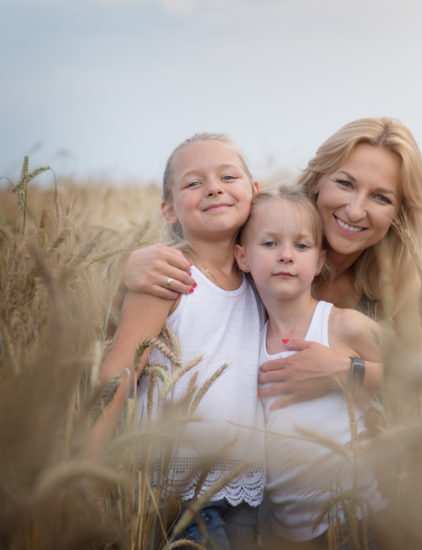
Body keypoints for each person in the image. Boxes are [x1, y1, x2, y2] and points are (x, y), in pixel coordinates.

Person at [121, 117, 422, 407]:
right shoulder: (265, 233)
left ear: (398, 214)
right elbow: (203, 251)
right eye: (346, 184)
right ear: (319, 180)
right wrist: (125, 266)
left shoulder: (397, 278)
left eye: (381, 198)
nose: (354, 210)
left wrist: (344, 373)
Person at [90, 133, 265, 549]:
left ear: (254, 193)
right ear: (169, 210)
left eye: (228, 176)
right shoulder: (166, 275)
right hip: (176, 488)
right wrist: (87, 468)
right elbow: (120, 370)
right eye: (193, 183)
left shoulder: (262, 278)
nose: (214, 187)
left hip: (244, 484)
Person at [234, 183, 385, 548]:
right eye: (270, 244)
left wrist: (351, 376)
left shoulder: (342, 325)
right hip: (291, 536)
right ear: (242, 258)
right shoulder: (246, 342)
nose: (286, 255)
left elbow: (416, 377)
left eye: (301, 246)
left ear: (318, 262)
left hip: (360, 521)